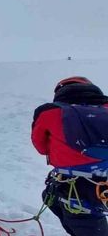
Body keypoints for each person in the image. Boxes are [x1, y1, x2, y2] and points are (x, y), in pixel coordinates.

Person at [32, 76, 108, 236]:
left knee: (83, 222)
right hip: (102, 181)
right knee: (52, 199)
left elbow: (40, 146)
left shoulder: (49, 111)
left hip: (74, 184)